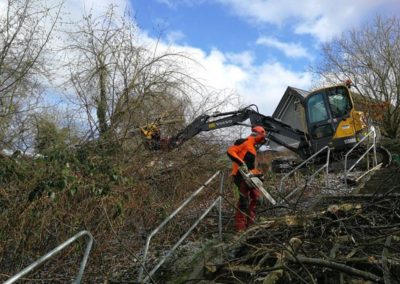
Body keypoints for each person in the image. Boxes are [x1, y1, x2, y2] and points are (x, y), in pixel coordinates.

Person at [227, 126, 267, 232]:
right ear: (258, 135)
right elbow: (230, 151)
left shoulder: (253, 148)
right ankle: (240, 229)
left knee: (257, 199)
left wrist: (259, 174)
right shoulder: (244, 142)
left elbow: (251, 167)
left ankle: (251, 226)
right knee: (243, 202)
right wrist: (241, 163)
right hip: (240, 176)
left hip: (249, 177)